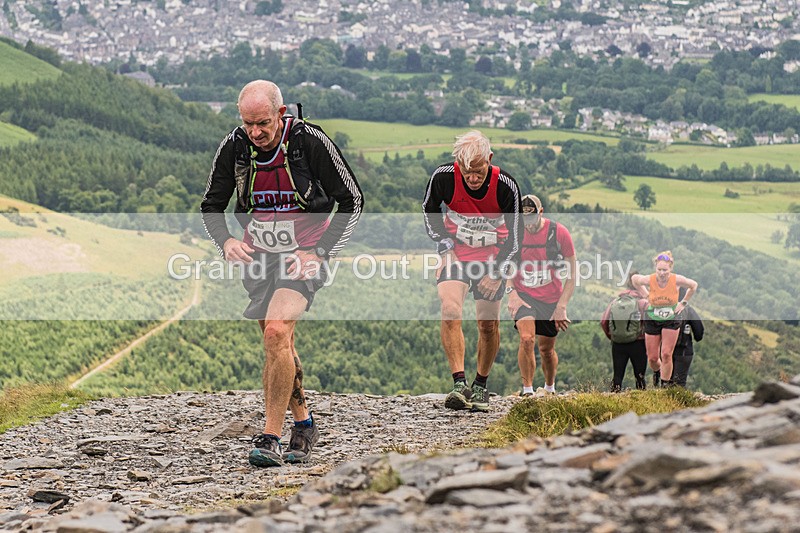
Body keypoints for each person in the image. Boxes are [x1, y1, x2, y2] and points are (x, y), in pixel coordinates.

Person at [200, 80, 363, 467]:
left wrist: (320, 252)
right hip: (258, 256)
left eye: (262, 123)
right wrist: (226, 241)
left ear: (281, 113)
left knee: (276, 331)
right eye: (247, 123)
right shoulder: (235, 146)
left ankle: (270, 436)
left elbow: (352, 200)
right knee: (279, 345)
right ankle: (304, 424)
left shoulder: (308, 142)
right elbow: (211, 204)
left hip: (302, 255)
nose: (255, 132)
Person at [423, 130, 523, 412]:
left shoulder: (505, 186)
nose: (473, 177)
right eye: (467, 172)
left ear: (489, 159)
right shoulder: (443, 177)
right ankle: (459, 384)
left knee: (487, 324)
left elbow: (517, 238)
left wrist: (498, 273)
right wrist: (445, 248)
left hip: (493, 256)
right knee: (450, 309)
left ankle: (480, 385)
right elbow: (429, 210)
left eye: (478, 171)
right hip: (456, 252)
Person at [507, 194, 576, 396]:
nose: (527, 224)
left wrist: (561, 306)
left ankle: (549, 387)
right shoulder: (514, 233)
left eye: (531, 218)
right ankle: (527, 391)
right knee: (527, 338)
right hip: (524, 295)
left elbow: (572, 275)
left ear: (541, 212)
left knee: (546, 350)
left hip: (550, 298)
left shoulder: (559, 233)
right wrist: (511, 293)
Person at [631, 251, 698, 388]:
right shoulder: (649, 279)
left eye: (665, 270)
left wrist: (683, 303)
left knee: (666, 354)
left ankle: (664, 386)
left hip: (671, 318)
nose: (662, 273)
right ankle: (658, 371)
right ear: (655, 268)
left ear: (670, 268)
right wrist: (646, 295)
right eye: (659, 270)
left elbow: (693, 285)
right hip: (652, 317)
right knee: (652, 358)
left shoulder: (677, 280)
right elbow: (635, 279)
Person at [601, 271, 648, 392]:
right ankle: (642, 400)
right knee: (640, 376)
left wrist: (613, 336)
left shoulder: (616, 301)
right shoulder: (643, 303)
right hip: (638, 342)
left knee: (617, 376)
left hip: (618, 343)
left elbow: (604, 322)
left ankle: (613, 398)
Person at [672, 287, 704, 388]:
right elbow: (699, 332)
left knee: (665, 380)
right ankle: (678, 398)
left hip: (665, 350)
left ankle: (662, 397)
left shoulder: (665, 309)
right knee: (679, 383)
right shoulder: (688, 310)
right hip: (684, 351)